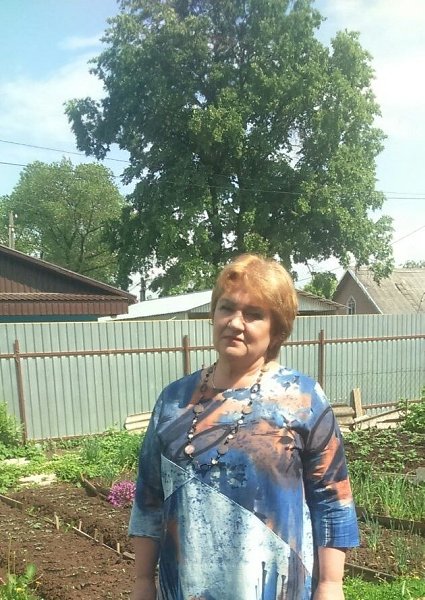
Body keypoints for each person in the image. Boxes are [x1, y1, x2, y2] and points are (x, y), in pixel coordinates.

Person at [129, 254, 359, 600]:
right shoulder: (173, 401)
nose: (235, 323)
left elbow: (332, 499)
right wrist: (143, 582)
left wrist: (331, 585)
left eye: (253, 314)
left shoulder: (302, 398)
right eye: (227, 308)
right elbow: (149, 498)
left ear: (277, 329)